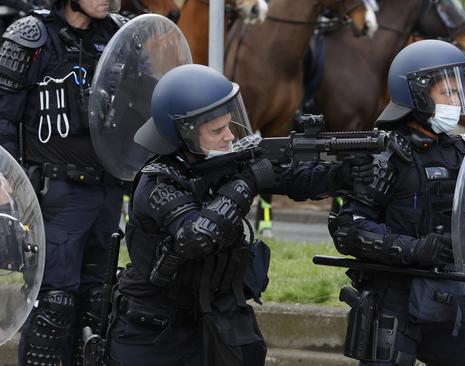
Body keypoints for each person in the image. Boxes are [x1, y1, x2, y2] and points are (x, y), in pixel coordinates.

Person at [108, 63, 373, 366]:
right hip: (156, 330)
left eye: (230, 126)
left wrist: (341, 175)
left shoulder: (225, 161)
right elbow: (195, 236)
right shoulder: (158, 181)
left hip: (218, 314)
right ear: (185, 133)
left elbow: (292, 176)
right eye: (217, 130)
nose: (229, 137)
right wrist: (245, 184)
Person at [328, 39, 465, 366]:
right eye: (447, 93)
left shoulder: (462, 152)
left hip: (447, 297)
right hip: (394, 302)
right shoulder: (386, 156)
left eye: (460, 93)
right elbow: (348, 229)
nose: (456, 102)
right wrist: (412, 249)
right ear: (417, 94)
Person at [0, 0, 128, 364]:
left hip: (107, 192)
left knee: (98, 304)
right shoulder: (31, 37)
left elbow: (142, 99)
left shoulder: (119, 34)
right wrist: (3, 177)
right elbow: (3, 116)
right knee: (53, 304)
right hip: (55, 196)